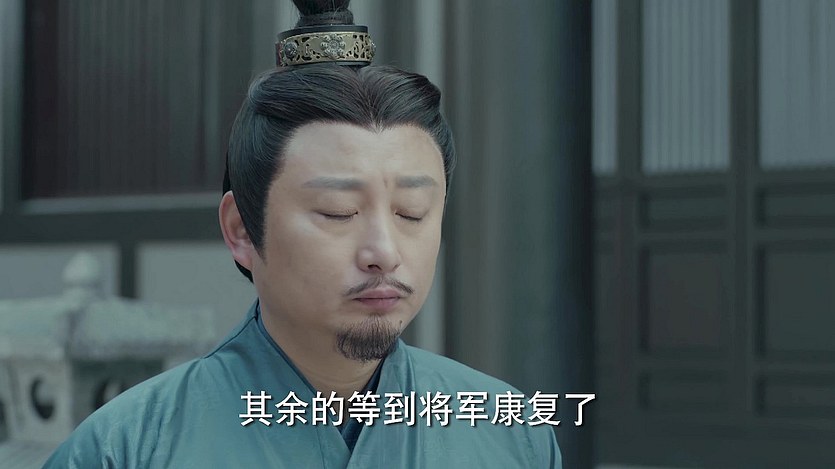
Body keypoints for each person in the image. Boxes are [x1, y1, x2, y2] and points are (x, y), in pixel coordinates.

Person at [45, 1, 562, 467]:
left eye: (411, 212)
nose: (384, 252)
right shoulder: (128, 448)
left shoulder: (512, 435)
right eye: (338, 212)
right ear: (241, 229)